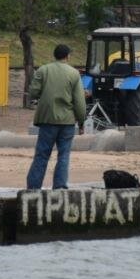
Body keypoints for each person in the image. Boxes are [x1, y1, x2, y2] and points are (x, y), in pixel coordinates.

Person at [26, 43, 88, 190]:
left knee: (41, 155)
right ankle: (60, 186)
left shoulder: (43, 70)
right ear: (67, 56)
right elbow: (79, 101)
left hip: (47, 120)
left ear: (55, 55)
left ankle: (34, 187)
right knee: (64, 155)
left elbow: (33, 93)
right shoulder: (74, 74)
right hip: (67, 122)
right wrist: (81, 122)